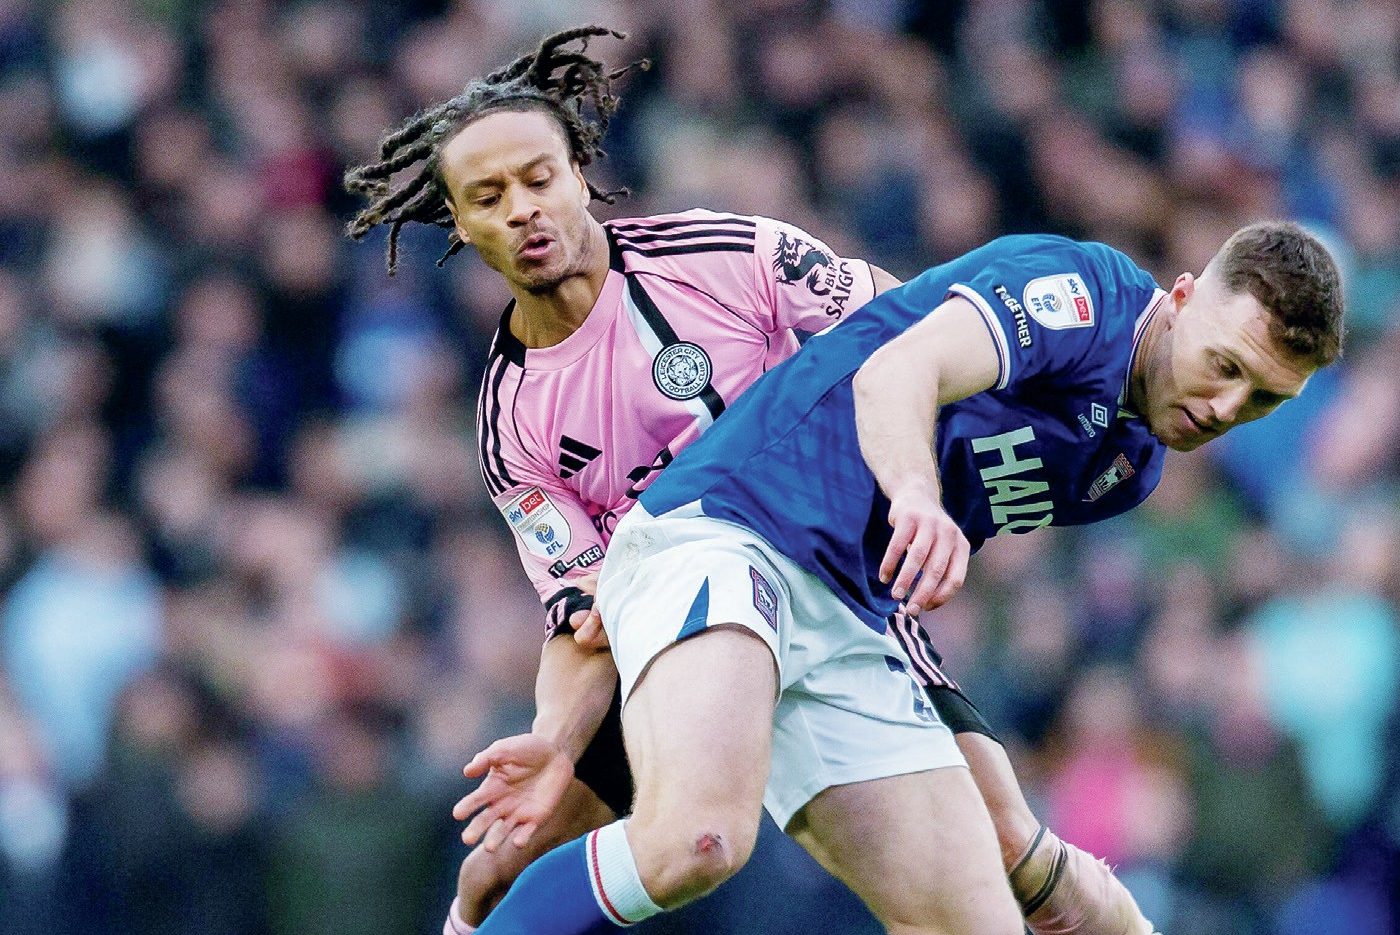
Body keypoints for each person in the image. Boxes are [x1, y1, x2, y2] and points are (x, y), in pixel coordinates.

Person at [344, 25, 1163, 935]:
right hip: (680, 611)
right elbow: (583, 613)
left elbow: (907, 333)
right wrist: (553, 738)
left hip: (827, 581)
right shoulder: (512, 420)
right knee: (503, 866)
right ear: (460, 224)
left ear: (579, 172)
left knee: (1010, 850)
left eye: (539, 179)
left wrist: (948, 486)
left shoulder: (725, 256)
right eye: (489, 197)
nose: (524, 211)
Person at [463, 211, 1343, 935]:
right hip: (738, 527)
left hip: (852, 609)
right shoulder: (1083, 296)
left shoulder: (1131, 466)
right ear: (1182, 298)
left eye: (1265, 398)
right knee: (695, 839)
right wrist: (916, 495)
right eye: (1226, 365)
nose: (1227, 407)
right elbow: (897, 371)